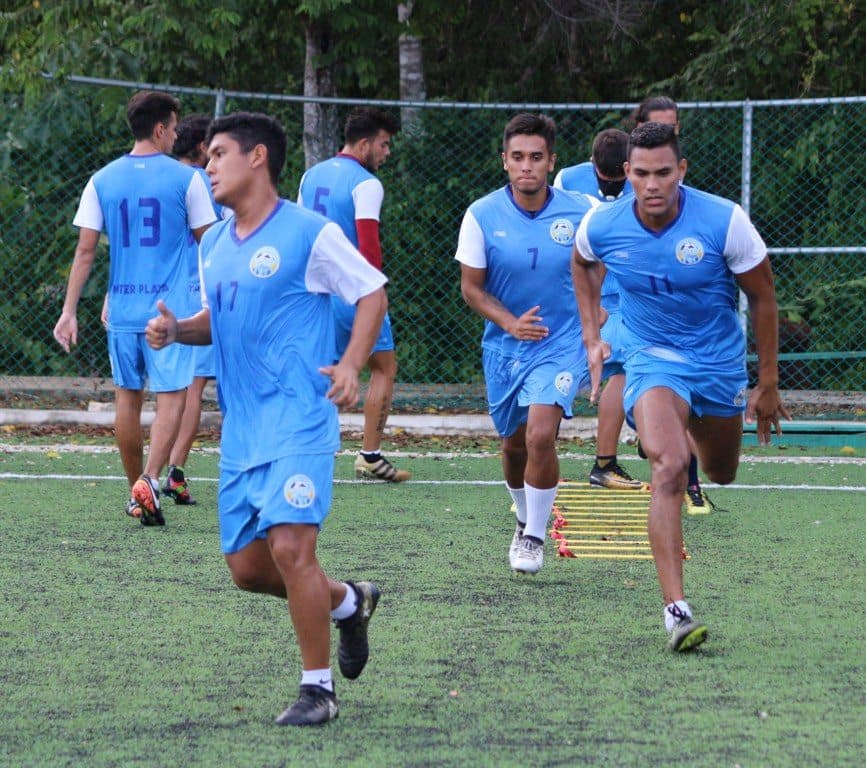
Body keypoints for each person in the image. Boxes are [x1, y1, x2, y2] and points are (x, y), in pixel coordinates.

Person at [145, 111, 387, 726]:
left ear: (257, 159)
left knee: (290, 545)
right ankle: (346, 604)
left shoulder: (309, 232)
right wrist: (178, 329)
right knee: (248, 569)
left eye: (220, 153)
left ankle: (318, 691)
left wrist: (354, 364)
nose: (209, 164)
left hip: (300, 419)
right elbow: (216, 319)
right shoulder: (216, 243)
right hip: (243, 431)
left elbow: (370, 291)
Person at [571, 122, 790, 651]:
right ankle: (676, 611)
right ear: (626, 173)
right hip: (650, 358)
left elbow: (763, 298)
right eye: (641, 173)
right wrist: (591, 334)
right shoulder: (602, 224)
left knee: (721, 472)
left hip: (716, 364)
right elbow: (580, 264)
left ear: (681, 171)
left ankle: (692, 422)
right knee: (668, 466)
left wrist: (768, 383)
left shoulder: (723, 221)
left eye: (663, 172)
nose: (652, 184)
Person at [53, 90, 217, 525]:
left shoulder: (101, 179)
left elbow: (85, 251)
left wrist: (69, 310)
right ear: (161, 128)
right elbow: (211, 244)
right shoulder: (189, 180)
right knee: (172, 397)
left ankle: (136, 494)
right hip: (169, 314)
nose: (177, 134)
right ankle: (149, 479)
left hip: (122, 311)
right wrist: (215, 298)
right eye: (175, 127)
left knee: (127, 399)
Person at [456, 113, 593, 575]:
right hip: (505, 348)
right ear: (505, 162)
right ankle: (522, 515)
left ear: (552, 161)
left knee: (540, 435)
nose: (527, 166)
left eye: (537, 157)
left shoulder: (583, 211)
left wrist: (601, 328)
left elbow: (607, 269)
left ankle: (535, 536)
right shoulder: (481, 214)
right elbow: (471, 289)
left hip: (562, 343)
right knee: (513, 446)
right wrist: (511, 323)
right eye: (518, 157)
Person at [297, 107, 409, 483]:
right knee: (384, 367)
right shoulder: (366, 183)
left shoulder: (311, 175)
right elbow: (368, 243)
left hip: (316, 295)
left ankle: (304, 451)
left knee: (319, 372)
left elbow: (301, 235)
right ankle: (370, 455)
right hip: (355, 295)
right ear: (364, 144)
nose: (386, 152)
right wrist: (375, 291)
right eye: (383, 144)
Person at [554, 128, 643, 491]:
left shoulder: (645, 183)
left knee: (624, 371)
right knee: (556, 374)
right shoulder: (567, 181)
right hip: (581, 295)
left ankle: (609, 461)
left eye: (617, 181)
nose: (610, 188)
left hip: (628, 297)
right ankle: (540, 459)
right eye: (604, 181)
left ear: (629, 167)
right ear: (592, 165)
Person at [161, 113, 225, 506]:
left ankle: (167, 470)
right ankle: (173, 471)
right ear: (202, 147)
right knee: (193, 388)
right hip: (196, 291)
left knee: (182, 387)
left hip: (166, 291)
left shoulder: (164, 179)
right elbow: (215, 238)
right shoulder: (199, 181)